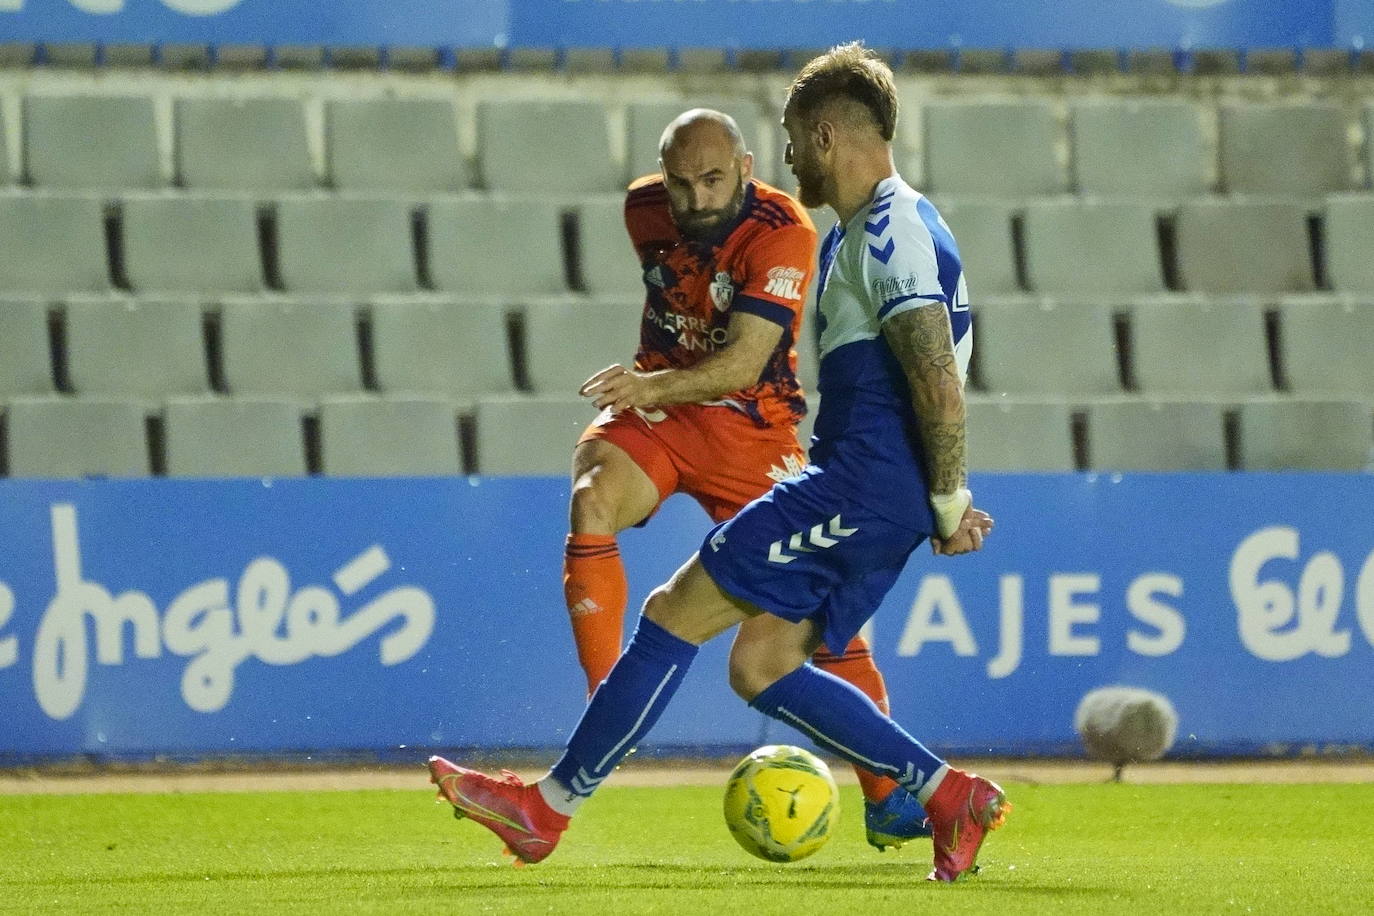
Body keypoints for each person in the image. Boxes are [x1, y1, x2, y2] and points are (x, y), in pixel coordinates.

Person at [429, 43, 1009, 883]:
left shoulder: (890, 234)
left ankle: (543, 811)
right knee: (761, 663)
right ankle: (943, 794)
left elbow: (939, 386)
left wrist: (949, 501)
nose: (781, 159)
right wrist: (938, 499)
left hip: (857, 484)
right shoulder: (888, 227)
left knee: (672, 614)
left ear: (822, 136)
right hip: (878, 489)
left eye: (785, 138)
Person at [562, 106, 928, 850]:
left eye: (713, 180)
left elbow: (742, 363)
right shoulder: (641, 209)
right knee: (592, 498)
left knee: (812, 625)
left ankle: (891, 796)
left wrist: (647, 387)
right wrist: (655, 387)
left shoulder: (784, 230)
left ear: (747, 168)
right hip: (667, 410)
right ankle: (610, 712)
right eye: (681, 183)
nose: (696, 200)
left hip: (751, 424)